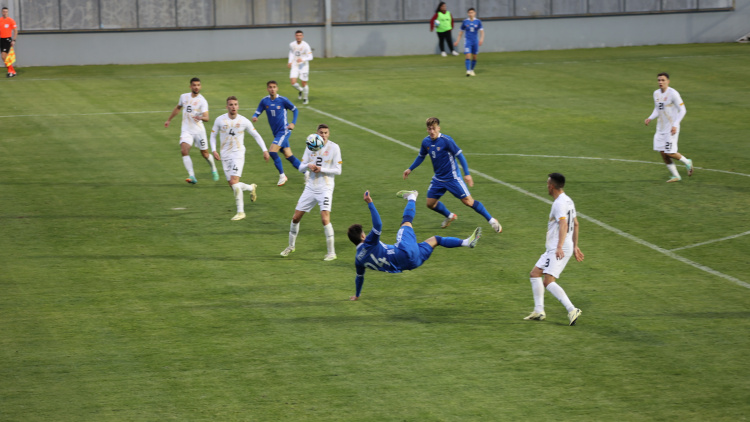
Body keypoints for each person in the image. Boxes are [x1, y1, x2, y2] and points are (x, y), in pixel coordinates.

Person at [347, 190, 482, 300]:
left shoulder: (358, 259)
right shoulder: (368, 242)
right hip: (403, 252)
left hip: (410, 264)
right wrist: (370, 203)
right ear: (363, 236)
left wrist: (357, 295)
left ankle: (466, 242)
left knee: (436, 240)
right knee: (406, 223)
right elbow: (378, 225)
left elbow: (359, 277)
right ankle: (412, 197)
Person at [403, 117, 502, 233]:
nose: (432, 131)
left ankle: (492, 220)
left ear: (438, 128)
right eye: (429, 129)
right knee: (430, 204)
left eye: (434, 129)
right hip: (438, 179)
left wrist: (467, 174)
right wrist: (410, 169)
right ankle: (450, 216)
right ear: (427, 129)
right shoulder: (426, 142)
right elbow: (421, 156)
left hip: (452, 178)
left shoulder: (446, 140)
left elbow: (460, 155)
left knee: (468, 202)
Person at [523, 173, 584, 326]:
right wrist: (575, 245)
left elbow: (564, 224)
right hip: (561, 245)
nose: (547, 186)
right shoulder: (569, 201)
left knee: (548, 281)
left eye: (547, 183)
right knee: (535, 274)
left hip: (558, 247)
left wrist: (559, 246)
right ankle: (539, 310)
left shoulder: (558, 204)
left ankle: (572, 309)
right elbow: (575, 224)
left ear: (551, 186)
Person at [281, 124, 342, 261]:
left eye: (326, 133)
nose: (323, 135)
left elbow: (338, 170)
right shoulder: (311, 145)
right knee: (296, 217)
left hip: (325, 188)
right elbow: (301, 167)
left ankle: (331, 253)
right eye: (321, 132)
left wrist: (322, 169)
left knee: (325, 218)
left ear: (329, 133)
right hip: (310, 187)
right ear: (317, 133)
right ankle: (291, 246)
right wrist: (308, 165)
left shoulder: (334, 147)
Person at [209, 96, 270, 221]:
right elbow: (213, 136)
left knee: (234, 182)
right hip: (225, 155)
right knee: (232, 185)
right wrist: (214, 150)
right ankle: (250, 187)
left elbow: (256, 135)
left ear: (238, 106)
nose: (233, 107)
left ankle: (241, 212)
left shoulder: (244, 121)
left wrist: (264, 150)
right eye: (231, 104)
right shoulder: (220, 120)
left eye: (235, 104)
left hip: (238, 154)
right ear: (227, 107)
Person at [164, 77, 219, 184]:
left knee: (205, 154)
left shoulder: (202, 101)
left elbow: (207, 118)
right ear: (190, 86)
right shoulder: (183, 97)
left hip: (199, 131)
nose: (196, 87)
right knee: (184, 150)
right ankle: (192, 176)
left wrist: (201, 118)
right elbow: (178, 108)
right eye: (194, 85)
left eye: (198, 85)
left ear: (200, 86)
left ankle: (214, 169)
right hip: (186, 130)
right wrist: (169, 119)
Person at [644, 72, 693, 183]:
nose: (660, 82)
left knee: (669, 152)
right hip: (660, 128)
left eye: (663, 80)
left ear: (668, 81)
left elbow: (683, 110)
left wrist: (675, 124)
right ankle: (676, 176)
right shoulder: (656, 93)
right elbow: (658, 108)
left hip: (671, 129)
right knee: (662, 152)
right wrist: (650, 118)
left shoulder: (673, 94)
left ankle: (687, 162)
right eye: (659, 80)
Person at [252, 80, 302, 186]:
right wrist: (255, 116)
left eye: (274, 87)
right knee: (289, 156)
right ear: (267, 89)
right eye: (270, 87)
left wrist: (293, 123)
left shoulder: (283, 100)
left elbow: (295, 110)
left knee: (272, 152)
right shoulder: (264, 101)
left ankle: (282, 176)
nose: (272, 89)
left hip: (284, 131)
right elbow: (258, 110)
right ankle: (307, 173)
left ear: (277, 88)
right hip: (276, 133)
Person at [453, 7, 484, 76]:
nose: (471, 14)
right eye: (469, 13)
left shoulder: (478, 21)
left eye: (472, 12)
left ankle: (472, 69)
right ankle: (468, 70)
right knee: (468, 55)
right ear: (468, 14)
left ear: (474, 13)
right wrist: (457, 41)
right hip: (468, 41)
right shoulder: (465, 22)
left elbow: (482, 31)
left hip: (475, 41)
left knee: (475, 56)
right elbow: (460, 32)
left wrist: (481, 39)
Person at [288, 30, 313, 105]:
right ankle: (301, 90)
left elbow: (311, 57)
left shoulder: (306, 45)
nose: (298, 37)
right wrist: (290, 61)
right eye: (297, 35)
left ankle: (305, 98)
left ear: (302, 36)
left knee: (303, 82)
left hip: (303, 66)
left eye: (300, 35)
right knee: (293, 82)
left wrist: (303, 59)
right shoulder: (292, 44)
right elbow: (291, 52)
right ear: (295, 36)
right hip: (295, 65)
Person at [1, 6, 18, 78]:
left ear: (8, 12)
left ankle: (10, 71)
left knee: (3, 56)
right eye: (3, 11)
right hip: (1, 40)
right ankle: (12, 71)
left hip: (7, 40)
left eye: (6, 12)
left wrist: (13, 40)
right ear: (2, 12)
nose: (5, 13)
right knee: (4, 57)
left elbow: (15, 31)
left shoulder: (11, 20)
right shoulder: (0, 20)